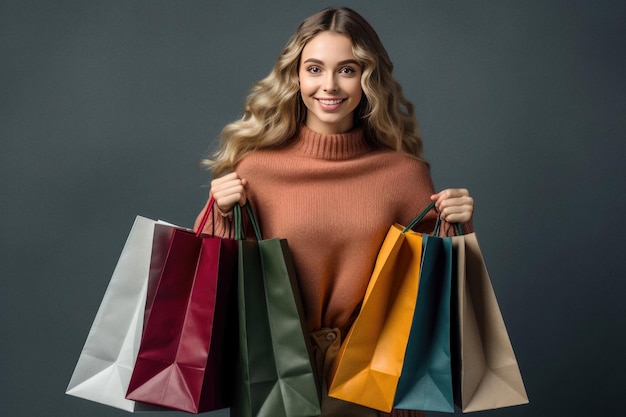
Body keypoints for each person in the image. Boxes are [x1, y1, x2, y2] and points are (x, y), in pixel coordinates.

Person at [195, 7, 474, 417]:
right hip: (277, 385)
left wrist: (461, 226)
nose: (329, 85)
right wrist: (218, 213)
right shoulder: (254, 172)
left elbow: (436, 300)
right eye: (314, 68)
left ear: (368, 78)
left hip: (374, 388)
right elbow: (214, 297)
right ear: (296, 76)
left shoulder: (404, 175)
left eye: (347, 69)